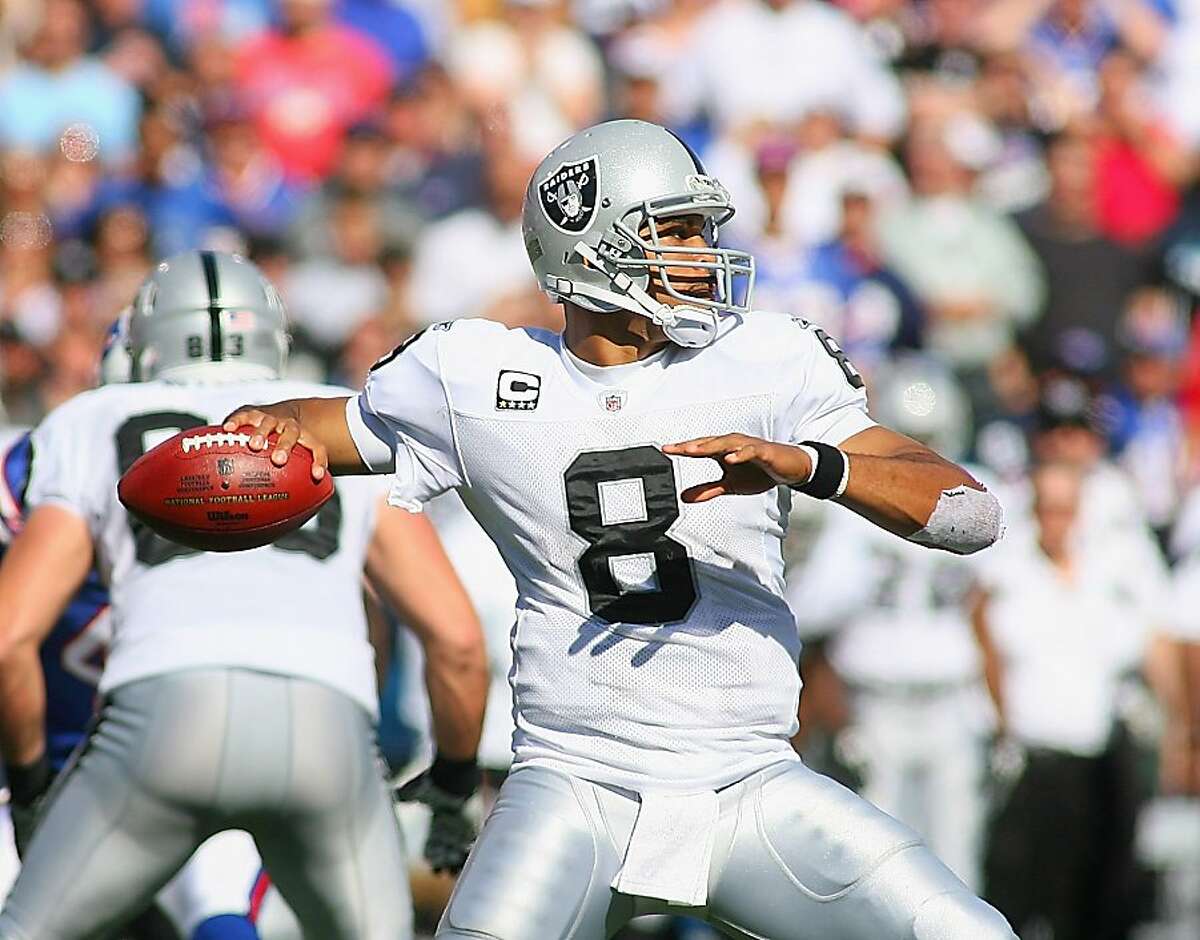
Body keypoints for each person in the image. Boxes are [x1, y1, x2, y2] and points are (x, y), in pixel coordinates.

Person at [224, 119, 1012, 940]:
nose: (703, 254)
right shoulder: (474, 375)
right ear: (588, 242)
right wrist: (266, 427)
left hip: (749, 779)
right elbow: (317, 426)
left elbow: (970, 513)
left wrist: (808, 464)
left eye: (703, 230)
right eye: (675, 230)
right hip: (572, 780)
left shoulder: (769, 359)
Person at [0, 251, 489, 940]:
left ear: (143, 341)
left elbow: (8, 639)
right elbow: (458, 643)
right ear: (274, 334)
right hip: (329, 727)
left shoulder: (91, 419)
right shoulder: (334, 422)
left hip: (161, 717)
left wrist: (28, 791)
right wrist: (455, 785)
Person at [789, 355, 992, 890]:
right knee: (890, 861)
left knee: (937, 857)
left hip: (945, 699)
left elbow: (814, 608)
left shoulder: (852, 510)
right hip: (877, 701)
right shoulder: (984, 495)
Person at [972, 459, 1163, 940]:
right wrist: (999, 721)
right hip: (1030, 758)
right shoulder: (1010, 573)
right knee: (1015, 896)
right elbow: (983, 641)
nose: (1056, 520)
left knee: (1087, 901)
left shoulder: (1106, 573)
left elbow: (1142, 644)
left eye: (1065, 510)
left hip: (1093, 762)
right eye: (1047, 509)